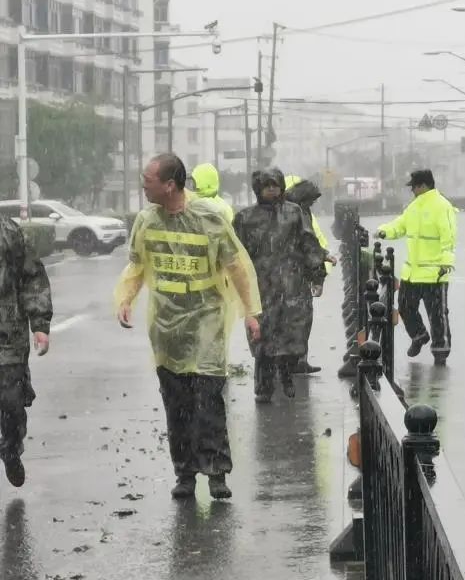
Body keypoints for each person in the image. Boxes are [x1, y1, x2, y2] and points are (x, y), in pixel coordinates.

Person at [115, 153, 261, 500]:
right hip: (166, 328)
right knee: (176, 403)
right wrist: (125, 299)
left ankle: (217, 472)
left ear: (169, 184)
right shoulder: (146, 221)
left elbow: (237, 268)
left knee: (208, 401)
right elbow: (136, 266)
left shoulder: (209, 219)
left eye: (148, 179)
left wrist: (250, 313)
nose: (142, 185)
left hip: (206, 322)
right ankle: (185, 473)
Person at [234, 168, 332, 403]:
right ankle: (263, 387)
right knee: (263, 342)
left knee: (295, 337)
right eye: (266, 185)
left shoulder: (294, 213)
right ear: (258, 189)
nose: (271, 189)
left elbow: (308, 243)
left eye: (275, 185)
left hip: (293, 287)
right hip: (261, 290)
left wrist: (318, 273)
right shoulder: (245, 219)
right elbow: (234, 254)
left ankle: (287, 372)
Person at [376, 169, 457, 366]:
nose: (412, 190)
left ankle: (440, 351)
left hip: (435, 273)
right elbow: (400, 225)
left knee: (437, 315)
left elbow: (449, 237)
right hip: (412, 273)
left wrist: (446, 263)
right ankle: (419, 335)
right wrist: (383, 231)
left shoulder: (442, 206)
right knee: (404, 307)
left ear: (423, 185)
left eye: (413, 186)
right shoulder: (413, 207)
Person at [0, 215, 52, 488]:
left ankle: (10, 448)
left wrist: (40, 324)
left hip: (8, 335)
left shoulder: (9, 232)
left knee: (11, 403)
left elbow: (33, 277)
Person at [285, 174, 337, 375]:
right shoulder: (299, 213)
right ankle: (297, 361)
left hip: (279, 275)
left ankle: (288, 361)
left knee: (287, 321)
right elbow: (307, 245)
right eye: (312, 201)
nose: (313, 205)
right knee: (301, 319)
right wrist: (319, 272)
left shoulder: (284, 210)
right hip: (296, 276)